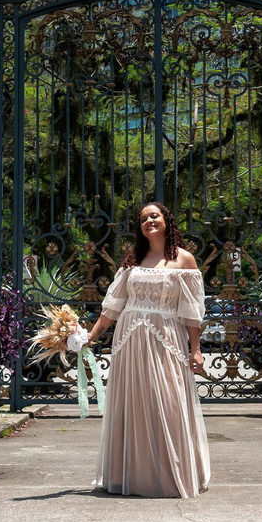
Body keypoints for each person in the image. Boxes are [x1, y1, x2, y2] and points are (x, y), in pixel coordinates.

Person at [87, 202, 211, 497]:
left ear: (166, 220)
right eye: (143, 218)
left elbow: (192, 312)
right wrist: (89, 336)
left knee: (167, 403)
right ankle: (132, 475)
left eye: (154, 215)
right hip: (130, 342)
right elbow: (112, 307)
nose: (148, 221)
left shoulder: (185, 260)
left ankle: (170, 475)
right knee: (134, 404)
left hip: (166, 339)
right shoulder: (133, 259)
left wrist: (196, 349)